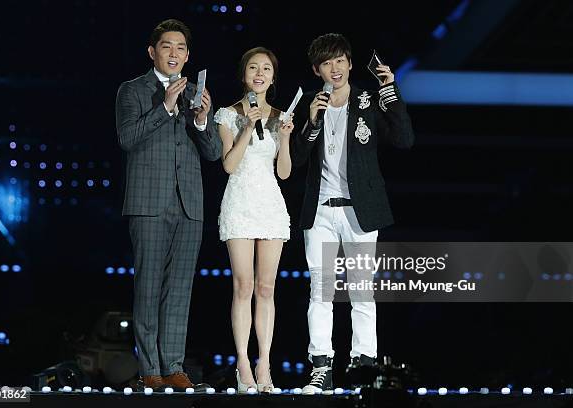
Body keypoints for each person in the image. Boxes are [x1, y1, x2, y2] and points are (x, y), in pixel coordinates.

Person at [290, 33, 414, 394]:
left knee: (361, 291)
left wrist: (390, 90)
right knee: (321, 292)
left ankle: (364, 364)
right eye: (327, 63)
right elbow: (295, 161)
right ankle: (321, 368)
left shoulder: (369, 100)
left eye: (340, 60)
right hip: (321, 212)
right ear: (317, 70)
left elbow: (404, 140)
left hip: (361, 211)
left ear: (349, 62)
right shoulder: (311, 105)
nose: (336, 68)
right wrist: (311, 123)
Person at [115, 19, 222, 392]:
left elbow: (213, 153)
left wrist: (203, 119)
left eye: (180, 48)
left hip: (189, 204)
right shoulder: (132, 90)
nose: (174, 53)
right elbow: (128, 138)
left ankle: (173, 365)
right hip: (149, 203)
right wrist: (165, 106)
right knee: (147, 287)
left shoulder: (197, 93)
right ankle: (150, 368)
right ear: (152, 51)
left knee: (179, 290)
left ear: (188, 55)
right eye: (166, 46)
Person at [213, 47, 294, 393]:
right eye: (253, 68)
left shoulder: (280, 116)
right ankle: (243, 363)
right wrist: (248, 126)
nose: (259, 74)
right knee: (243, 286)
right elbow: (229, 165)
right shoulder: (227, 114)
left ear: (273, 78)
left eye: (266, 69)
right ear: (244, 75)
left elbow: (285, 172)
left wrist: (286, 138)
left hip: (270, 205)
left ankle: (265, 364)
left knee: (266, 288)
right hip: (240, 202)